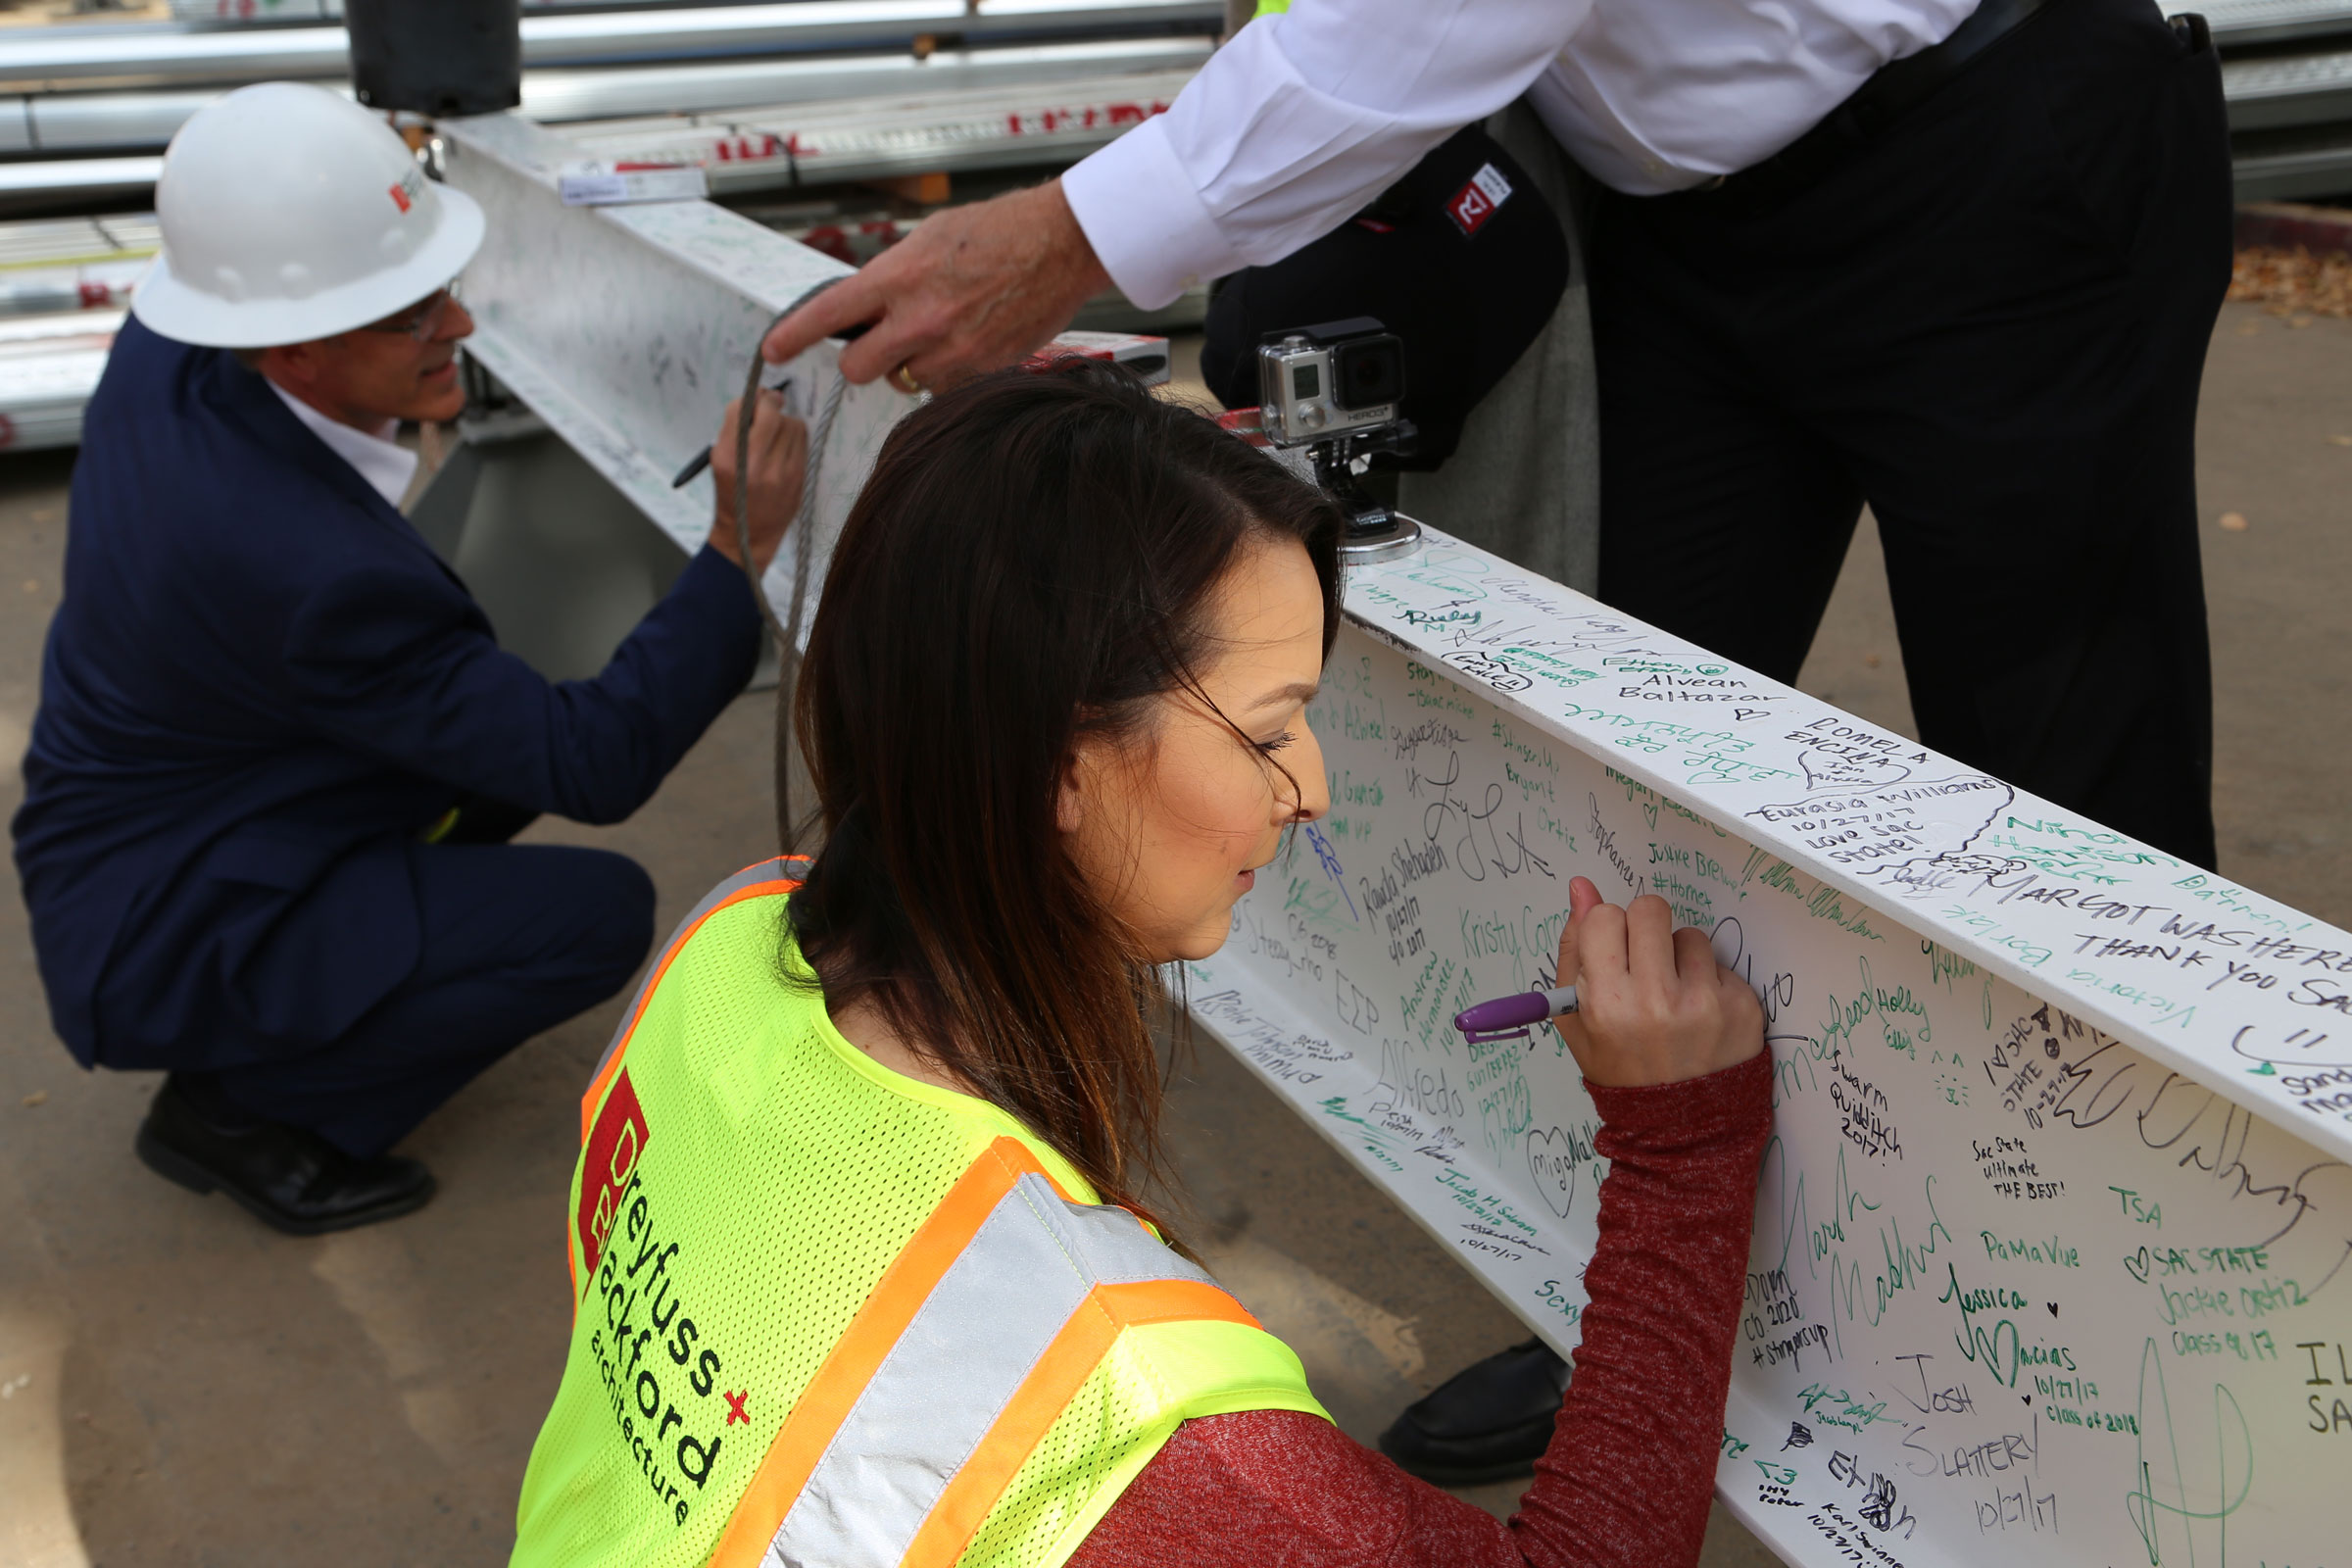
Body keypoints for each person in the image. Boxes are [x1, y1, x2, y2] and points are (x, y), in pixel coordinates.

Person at [755, 0, 2232, 1476]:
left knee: (2069, 809)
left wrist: (1073, 234)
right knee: (1625, 767)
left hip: (1978, 156)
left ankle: (2128, 1388)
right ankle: (1662, 1299)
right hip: (1686, 232)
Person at [508, 361, 1771, 1568]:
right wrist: (1681, 1153)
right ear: (1060, 764)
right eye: (1274, 727)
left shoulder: (729, 943)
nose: (1312, 792)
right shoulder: (1119, 1402)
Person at [9, 81, 808, 1237]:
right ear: (287, 345)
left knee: (491, 736)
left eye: (439, 293)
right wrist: (737, 548)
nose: (462, 332)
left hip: (151, 826)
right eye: (410, 319)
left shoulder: (177, 342)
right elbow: (596, 766)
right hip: (167, 929)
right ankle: (246, 1111)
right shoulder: (309, 573)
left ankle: (299, 999)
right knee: (593, 914)